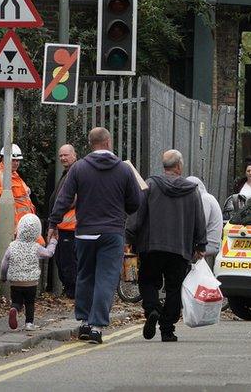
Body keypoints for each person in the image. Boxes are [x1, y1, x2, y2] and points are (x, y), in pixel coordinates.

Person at [48, 127, 143, 345]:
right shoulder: (123, 169)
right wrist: (120, 210)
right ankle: (97, 327)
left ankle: (83, 322)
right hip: (112, 232)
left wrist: (54, 222)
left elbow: (63, 198)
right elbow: (135, 202)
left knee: (85, 276)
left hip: (85, 233)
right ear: (108, 142)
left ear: (91, 143)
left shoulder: (79, 168)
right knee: (106, 279)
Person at [127, 150, 206, 342]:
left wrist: (129, 236)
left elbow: (137, 214)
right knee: (174, 287)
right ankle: (167, 329)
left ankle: (153, 309)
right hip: (179, 248)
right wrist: (200, 244)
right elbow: (199, 219)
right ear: (179, 166)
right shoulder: (192, 189)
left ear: (165, 166)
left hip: (151, 246)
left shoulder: (151, 184)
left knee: (147, 281)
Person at [0, 214, 58, 331]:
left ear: (19, 228)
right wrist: (53, 242)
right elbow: (48, 254)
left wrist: (3, 276)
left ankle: (14, 309)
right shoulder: (36, 247)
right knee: (30, 303)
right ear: (37, 231)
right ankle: (29, 323)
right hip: (31, 283)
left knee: (17, 301)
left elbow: (4, 263)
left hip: (15, 282)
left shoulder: (12, 246)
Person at [47, 144, 78, 299]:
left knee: (68, 264)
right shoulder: (68, 172)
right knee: (64, 262)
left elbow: (71, 199)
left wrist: (58, 214)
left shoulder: (74, 172)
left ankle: (73, 294)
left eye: (66, 155)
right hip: (65, 226)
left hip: (70, 227)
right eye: (61, 156)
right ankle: (71, 292)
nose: (63, 158)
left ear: (74, 155)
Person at [0, 144, 37, 232]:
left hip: (25, 222)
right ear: (3, 159)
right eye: (13, 160)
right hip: (10, 222)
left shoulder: (16, 175)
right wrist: (5, 192)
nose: (16, 163)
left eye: (18, 160)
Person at [186, 175, 223, 268]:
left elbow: (201, 225)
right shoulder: (207, 197)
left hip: (211, 244)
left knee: (181, 254)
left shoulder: (204, 199)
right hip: (209, 242)